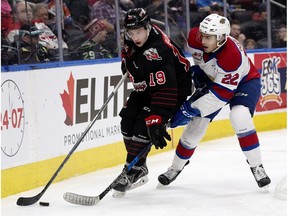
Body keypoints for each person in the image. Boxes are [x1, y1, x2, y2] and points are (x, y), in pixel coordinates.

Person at [158, 14, 271, 190]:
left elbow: (222, 95)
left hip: (244, 82)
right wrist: (199, 75)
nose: (203, 39)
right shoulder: (195, 37)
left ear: (222, 38)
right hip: (216, 82)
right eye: (203, 34)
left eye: (209, 37)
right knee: (196, 126)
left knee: (239, 116)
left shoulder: (231, 55)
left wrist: (189, 109)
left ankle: (257, 166)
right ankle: (175, 168)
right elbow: (201, 62)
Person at [112, 8, 192, 197]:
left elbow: (166, 88)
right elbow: (131, 58)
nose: (134, 36)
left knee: (144, 125)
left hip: (173, 89)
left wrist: (158, 117)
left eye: (138, 32)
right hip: (149, 86)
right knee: (127, 121)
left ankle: (131, 170)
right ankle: (138, 166)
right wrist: (128, 63)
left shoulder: (157, 51)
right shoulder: (133, 37)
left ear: (148, 27)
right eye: (131, 33)